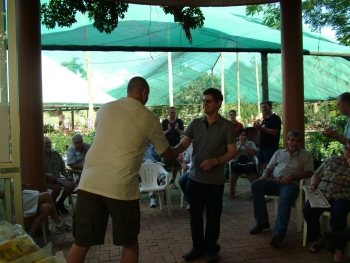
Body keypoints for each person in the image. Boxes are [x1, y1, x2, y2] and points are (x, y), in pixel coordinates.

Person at [66, 76, 174, 263]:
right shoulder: (150, 118)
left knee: (81, 242)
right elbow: (166, 153)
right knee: (129, 242)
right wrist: (182, 146)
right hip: (120, 187)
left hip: (89, 182)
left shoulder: (105, 108)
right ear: (144, 93)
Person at [172, 88, 236, 263]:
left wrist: (215, 161)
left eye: (208, 101)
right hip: (194, 179)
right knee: (195, 215)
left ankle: (212, 249)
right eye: (204, 100)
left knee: (213, 217)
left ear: (218, 103)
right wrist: (170, 151)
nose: (205, 103)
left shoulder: (226, 126)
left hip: (214, 181)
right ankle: (197, 247)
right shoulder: (195, 123)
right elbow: (183, 145)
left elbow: (232, 152)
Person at [249, 130, 314, 247]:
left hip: (291, 185)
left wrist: (292, 176)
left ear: (300, 142)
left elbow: (308, 172)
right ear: (287, 141)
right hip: (275, 182)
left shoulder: (306, 155)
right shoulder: (279, 153)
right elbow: (269, 167)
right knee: (255, 185)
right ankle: (262, 221)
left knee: (285, 200)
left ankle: (278, 234)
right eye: (292, 140)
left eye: (297, 141)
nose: (294, 143)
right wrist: (264, 175)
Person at [303, 143, 350, 263]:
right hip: (322, 193)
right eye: (347, 148)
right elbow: (316, 174)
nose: (347, 152)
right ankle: (318, 239)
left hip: (341, 196)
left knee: (338, 214)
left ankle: (338, 252)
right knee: (308, 209)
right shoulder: (333, 159)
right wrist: (313, 185)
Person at [0, 180, 71, 241]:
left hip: (16, 197)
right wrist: (16, 189)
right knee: (46, 195)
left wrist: (19, 187)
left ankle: (30, 234)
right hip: (9, 203)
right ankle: (59, 223)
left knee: (47, 207)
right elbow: (3, 194)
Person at [44, 137, 75, 214]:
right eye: (46, 143)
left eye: (49, 143)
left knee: (71, 185)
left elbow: (62, 168)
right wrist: (47, 175)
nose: (48, 145)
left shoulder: (55, 154)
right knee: (57, 188)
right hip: (45, 180)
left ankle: (60, 203)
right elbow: (36, 172)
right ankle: (52, 204)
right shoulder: (39, 156)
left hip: (57, 178)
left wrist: (67, 176)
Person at [229, 128, 258, 199]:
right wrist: (240, 146)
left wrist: (245, 145)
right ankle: (232, 191)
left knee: (250, 167)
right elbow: (232, 154)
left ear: (247, 137)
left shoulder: (251, 143)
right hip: (237, 162)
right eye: (241, 135)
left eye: (244, 135)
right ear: (238, 137)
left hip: (248, 162)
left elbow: (254, 153)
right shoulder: (235, 144)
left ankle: (254, 191)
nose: (243, 137)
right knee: (235, 167)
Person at [253, 100, 281, 169]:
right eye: (262, 107)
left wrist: (262, 128)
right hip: (262, 147)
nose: (264, 109)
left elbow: (275, 132)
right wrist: (258, 129)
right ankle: (264, 179)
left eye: (265, 107)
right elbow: (260, 134)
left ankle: (270, 179)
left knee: (270, 166)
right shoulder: (264, 120)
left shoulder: (276, 118)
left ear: (270, 107)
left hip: (271, 147)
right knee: (263, 166)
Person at [162, 107, 184, 189]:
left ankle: (174, 182)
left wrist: (177, 129)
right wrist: (168, 130)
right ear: (168, 113)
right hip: (167, 147)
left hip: (177, 147)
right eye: (171, 112)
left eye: (174, 112)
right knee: (165, 165)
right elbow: (161, 133)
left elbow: (182, 134)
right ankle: (165, 183)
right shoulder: (164, 122)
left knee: (175, 165)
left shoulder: (179, 121)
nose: (172, 114)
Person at [178, 145, 193, 210]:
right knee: (182, 180)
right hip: (190, 171)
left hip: (202, 172)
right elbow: (183, 163)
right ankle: (190, 202)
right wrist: (183, 166)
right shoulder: (191, 151)